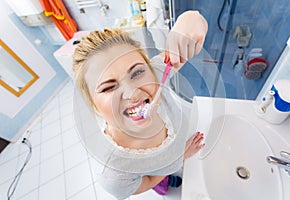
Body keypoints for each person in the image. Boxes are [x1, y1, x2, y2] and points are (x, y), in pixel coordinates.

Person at [72, 10, 207, 199]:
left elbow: (191, 33)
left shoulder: (157, 76)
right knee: (162, 185)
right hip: (156, 174)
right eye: (109, 87)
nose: (133, 93)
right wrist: (178, 160)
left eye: (136, 73)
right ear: (93, 106)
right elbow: (142, 184)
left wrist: (190, 19)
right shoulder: (113, 173)